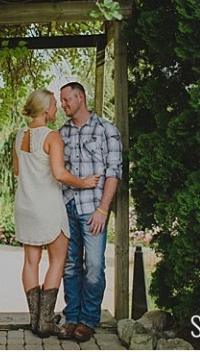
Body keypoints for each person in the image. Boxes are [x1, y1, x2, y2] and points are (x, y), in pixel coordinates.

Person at [13, 89, 100, 338]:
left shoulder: (19, 136)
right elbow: (60, 174)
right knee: (58, 260)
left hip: (24, 207)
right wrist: (83, 182)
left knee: (30, 261)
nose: (56, 108)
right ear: (44, 109)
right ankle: (46, 321)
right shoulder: (52, 137)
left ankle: (35, 320)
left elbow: (18, 170)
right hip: (47, 207)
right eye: (53, 104)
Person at [57, 81, 122, 343]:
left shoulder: (107, 131)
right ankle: (71, 317)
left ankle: (88, 319)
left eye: (66, 100)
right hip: (68, 206)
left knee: (94, 266)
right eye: (61, 101)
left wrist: (103, 210)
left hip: (93, 209)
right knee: (71, 266)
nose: (63, 105)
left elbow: (114, 173)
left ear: (80, 97)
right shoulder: (61, 133)